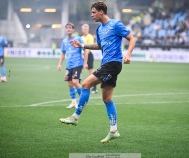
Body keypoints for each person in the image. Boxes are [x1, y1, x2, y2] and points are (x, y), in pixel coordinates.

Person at [59, 1, 136, 143]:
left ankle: (75, 117)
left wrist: (128, 54)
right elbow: (99, 46)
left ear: (102, 12)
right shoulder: (100, 29)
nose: (92, 14)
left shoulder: (115, 24)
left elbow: (131, 39)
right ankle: (113, 130)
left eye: (94, 12)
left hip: (113, 64)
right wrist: (82, 45)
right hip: (107, 64)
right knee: (107, 98)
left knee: (86, 84)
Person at [57, 22, 89, 109]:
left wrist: (85, 62)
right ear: (65, 29)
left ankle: (83, 101)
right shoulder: (64, 41)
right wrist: (60, 64)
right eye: (67, 28)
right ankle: (74, 102)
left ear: (73, 29)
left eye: (70, 27)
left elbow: (85, 50)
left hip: (78, 64)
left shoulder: (78, 39)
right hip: (69, 65)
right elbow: (63, 53)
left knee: (75, 82)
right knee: (70, 84)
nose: (68, 29)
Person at [81, 24, 98, 94]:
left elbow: (88, 48)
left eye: (85, 29)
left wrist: (85, 61)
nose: (84, 30)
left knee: (91, 72)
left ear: (88, 29)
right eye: (83, 29)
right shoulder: (81, 37)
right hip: (82, 55)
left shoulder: (90, 37)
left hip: (88, 55)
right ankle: (78, 86)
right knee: (78, 70)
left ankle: (94, 87)